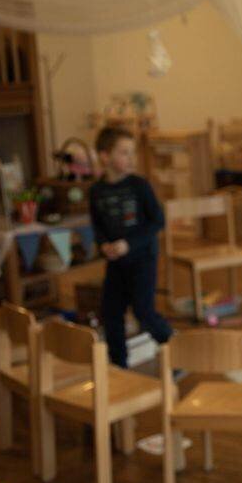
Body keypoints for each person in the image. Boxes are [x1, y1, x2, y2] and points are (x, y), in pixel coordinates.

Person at [89, 126, 173, 367]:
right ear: (105, 157)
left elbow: (158, 220)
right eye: (124, 153)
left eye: (132, 152)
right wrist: (104, 244)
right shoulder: (97, 191)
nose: (131, 158)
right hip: (116, 264)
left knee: (143, 312)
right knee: (111, 314)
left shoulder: (140, 185)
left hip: (143, 260)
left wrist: (129, 244)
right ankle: (119, 365)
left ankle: (176, 351)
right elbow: (98, 225)